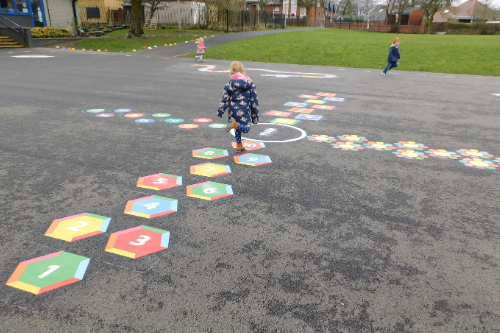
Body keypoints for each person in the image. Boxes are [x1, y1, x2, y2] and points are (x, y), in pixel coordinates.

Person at [217, 61, 259, 153]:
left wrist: (221, 110)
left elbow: (225, 99)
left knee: (238, 128)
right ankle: (235, 125)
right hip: (244, 110)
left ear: (231, 72)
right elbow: (254, 102)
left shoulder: (229, 84)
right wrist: (254, 117)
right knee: (246, 128)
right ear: (243, 71)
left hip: (233, 111)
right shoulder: (250, 84)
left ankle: (239, 145)